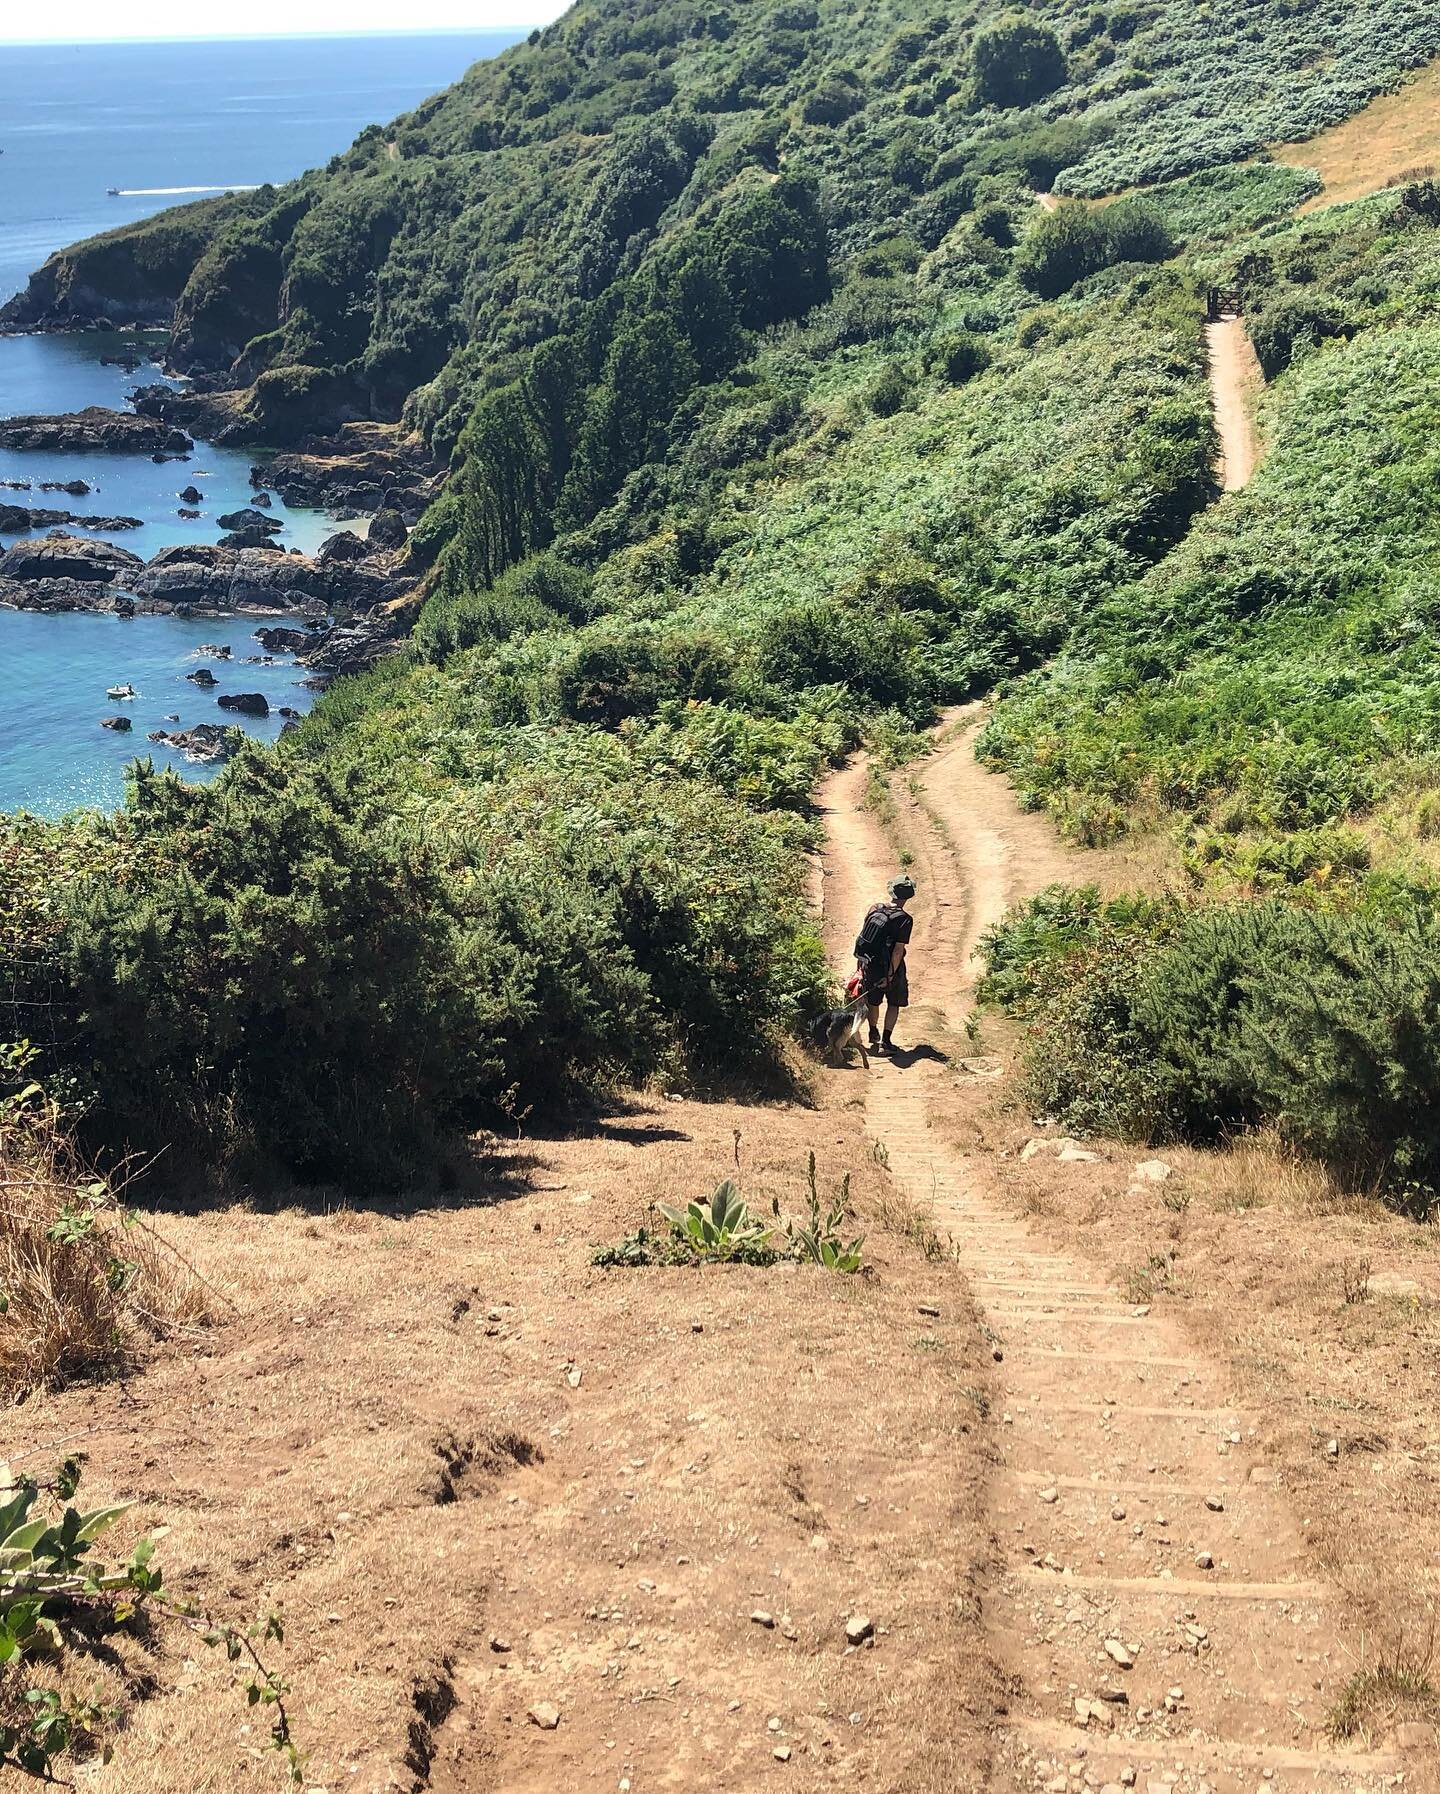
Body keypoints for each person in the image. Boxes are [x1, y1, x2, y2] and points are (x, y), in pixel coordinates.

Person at [853, 875, 915, 1055]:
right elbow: (897, 951)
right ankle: (886, 1042)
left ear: (892, 892)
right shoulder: (904, 919)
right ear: (909, 896)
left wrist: (861, 963)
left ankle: (873, 1031)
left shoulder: (875, 908)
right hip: (890, 966)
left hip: (870, 963)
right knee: (893, 1002)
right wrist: (890, 974)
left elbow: (864, 936)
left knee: (873, 1000)